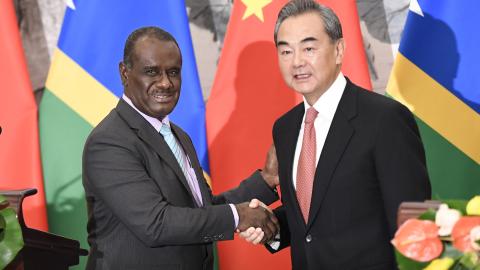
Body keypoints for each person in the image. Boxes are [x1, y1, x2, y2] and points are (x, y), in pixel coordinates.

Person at [240, 1, 431, 269]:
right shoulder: (285, 128)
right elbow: (313, 215)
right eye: (286, 51)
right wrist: (271, 225)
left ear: (339, 50)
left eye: (308, 48)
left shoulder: (385, 119)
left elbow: (414, 221)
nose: (297, 61)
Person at [82, 26, 279, 270]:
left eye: (173, 72)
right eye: (151, 72)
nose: (165, 83)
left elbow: (202, 210)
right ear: (124, 73)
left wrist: (266, 180)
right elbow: (156, 223)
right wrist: (238, 216)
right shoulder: (109, 142)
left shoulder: (178, 136)